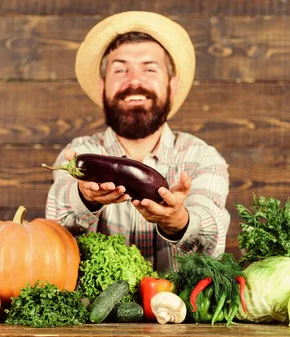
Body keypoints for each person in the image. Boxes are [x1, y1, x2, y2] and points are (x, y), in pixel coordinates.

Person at [45, 11, 230, 272]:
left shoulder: (202, 158)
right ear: (102, 86)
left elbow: (211, 241)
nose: (134, 81)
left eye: (149, 69)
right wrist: (85, 198)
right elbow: (53, 234)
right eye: (120, 69)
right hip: (99, 314)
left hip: (178, 312)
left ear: (172, 86)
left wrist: (179, 220)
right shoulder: (79, 154)